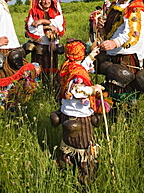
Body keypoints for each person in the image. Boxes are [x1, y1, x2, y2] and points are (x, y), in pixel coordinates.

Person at [50, 39, 110, 185]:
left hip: (66, 112)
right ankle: (86, 177)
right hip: (80, 115)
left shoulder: (68, 65)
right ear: (79, 53)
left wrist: (91, 56)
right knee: (85, 146)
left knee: (68, 142)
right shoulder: (77, 74)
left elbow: (80, 68)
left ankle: (64, 168)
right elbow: (77, 90)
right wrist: (92, 89)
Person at [97, 0, 144, 104]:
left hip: (127, 55)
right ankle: (114, 115)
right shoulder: (115, 5)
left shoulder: (135, 8)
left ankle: (129, 119)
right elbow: (112, 30)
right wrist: (103, 28)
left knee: (127, 90)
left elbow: (131, 33)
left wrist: (114, 42)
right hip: (113, 54)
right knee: (112, 89)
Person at [25, 0, 65, 87]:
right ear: (40, 0)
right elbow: (31, 27)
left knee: (52, 67)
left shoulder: (55, 11)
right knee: (37, 68)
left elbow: (59, 25)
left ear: (51, 0)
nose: (46, 2)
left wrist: (42, 21)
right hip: (39, 44)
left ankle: (52, 87)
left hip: (51, 45)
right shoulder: (34, 11)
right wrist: (47, 26)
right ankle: (36, 88)